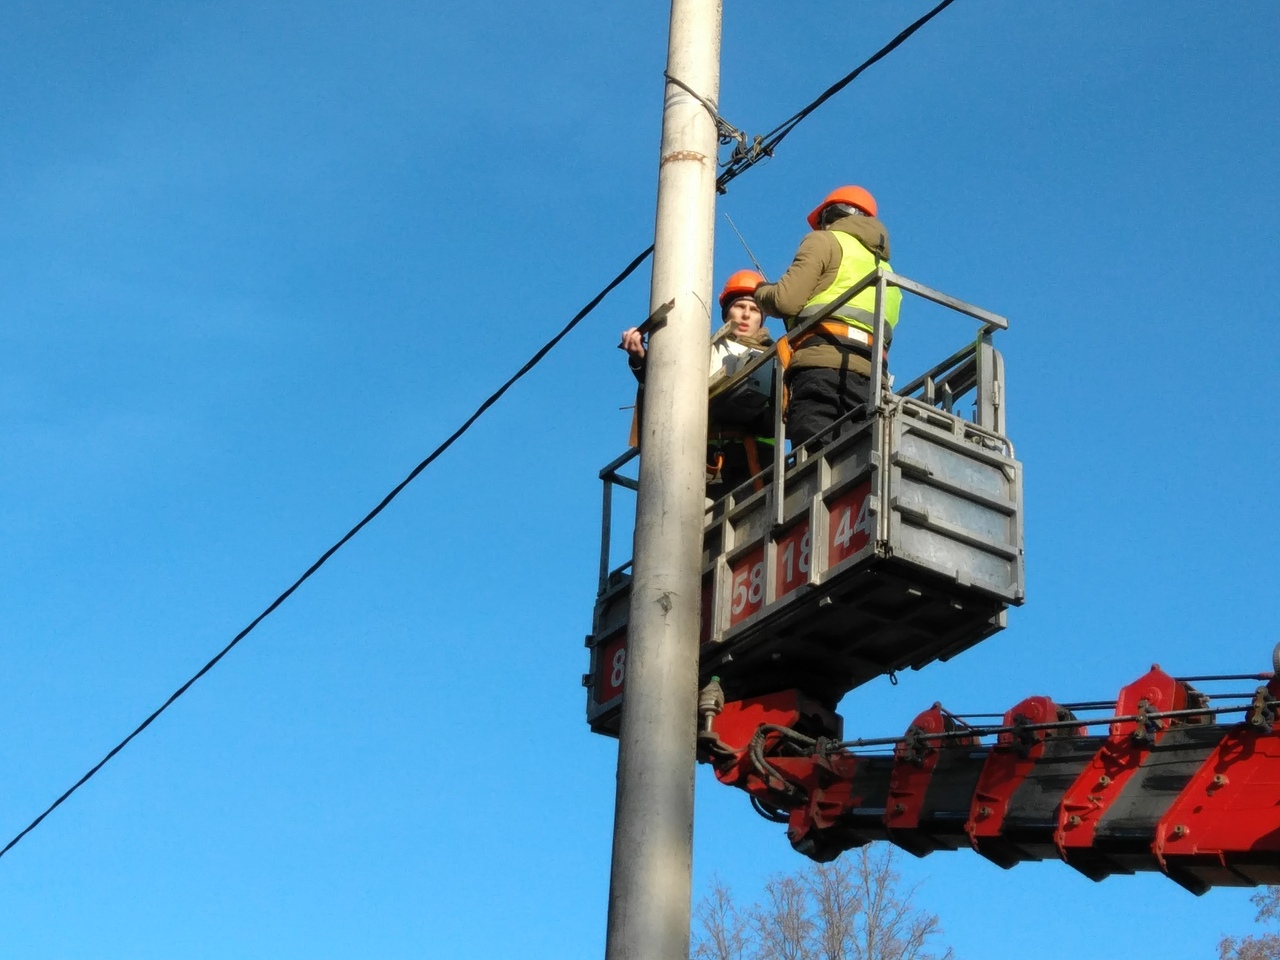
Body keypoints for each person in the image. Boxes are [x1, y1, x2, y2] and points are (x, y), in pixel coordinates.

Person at [753, 185, 902, 448]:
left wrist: (761, 293)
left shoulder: (824, 241)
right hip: (871, 379)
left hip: (822, 368)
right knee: (856, 459)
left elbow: (785, 301)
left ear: (828, 216)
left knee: (816, 459)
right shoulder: (888, 273)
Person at [621, 271, 774, 498]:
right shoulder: (705, 352)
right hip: (709, 458)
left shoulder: (774, 357)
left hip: (759, 459)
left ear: (761, 318)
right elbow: (669, 387)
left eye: (753, 310)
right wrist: (641, 359)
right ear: (726, 313)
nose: (745, 315)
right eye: (739, 307)